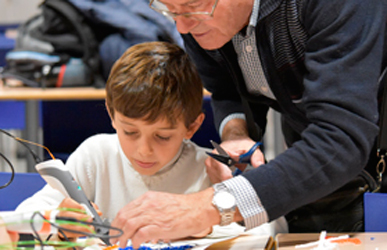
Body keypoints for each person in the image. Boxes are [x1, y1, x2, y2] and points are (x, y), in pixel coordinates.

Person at [109, 0, 387, 248]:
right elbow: (226, 89)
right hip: (321, 168)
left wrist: (208, 206)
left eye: (193, 5)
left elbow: (340, 139)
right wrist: (235, 132)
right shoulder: (198, 20)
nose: (182, 26)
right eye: (169, 9)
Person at [15, 41, 285, 242]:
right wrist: (56, 221)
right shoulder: (95, 156)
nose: (143, 149)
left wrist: (207, 221)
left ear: (192, 126)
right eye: (130, 132)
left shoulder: (211, 170)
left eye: (162, 136)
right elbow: (22, 220)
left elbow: (269, 231)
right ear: (111, 114)